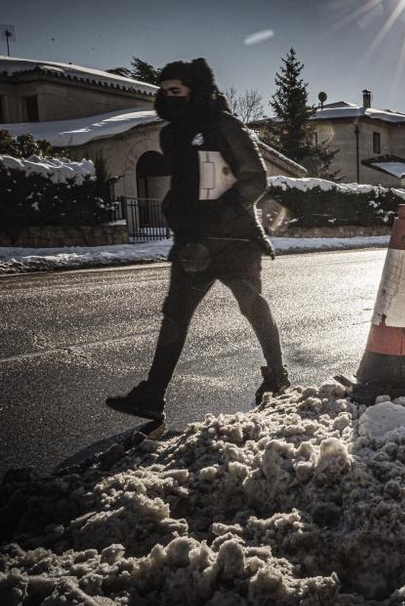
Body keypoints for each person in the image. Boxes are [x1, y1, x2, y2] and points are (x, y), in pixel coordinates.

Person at [106, 58, 289, 421]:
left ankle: (277, 376)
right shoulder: (170, 134)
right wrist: (174, 208)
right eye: (164, 91)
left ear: (195, 89)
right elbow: (183, 184)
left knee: (252, 306)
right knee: (175, 314)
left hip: (235, 240)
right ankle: (152, 396)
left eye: (176, 90)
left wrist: (223, 213)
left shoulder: (224, 124)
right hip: (194, 244)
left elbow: (255, 176)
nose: (168, 97)